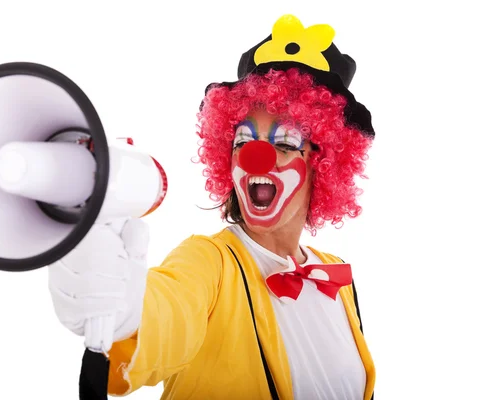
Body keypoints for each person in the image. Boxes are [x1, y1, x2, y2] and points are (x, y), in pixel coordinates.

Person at [48, 13, 376, 400]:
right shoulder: (209, 261)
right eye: (242, 142)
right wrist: (123, 314)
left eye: (286, 143)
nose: (256, 157)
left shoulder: (336, 279)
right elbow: (168, 310)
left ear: (324, 165)